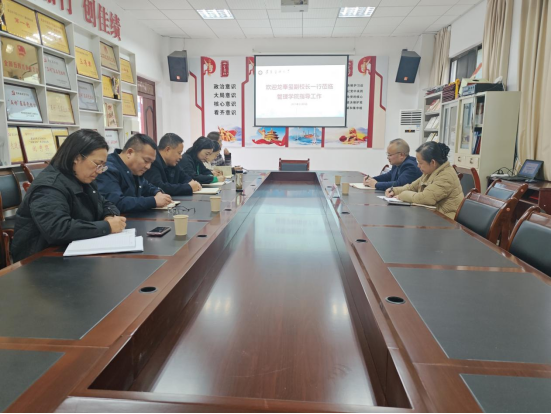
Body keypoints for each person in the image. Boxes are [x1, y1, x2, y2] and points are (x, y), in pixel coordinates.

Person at [10, 130, 127, 263]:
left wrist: (109, 216)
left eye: (102, 166)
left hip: (71, 251)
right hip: (40, 260)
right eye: (97, 164)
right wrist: (107, 226)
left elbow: (105, 203)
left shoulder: (84, 180)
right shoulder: (49, 186)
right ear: (76, 158)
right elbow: (58, 229)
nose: (99, 171)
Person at [96, 134, 173, 213]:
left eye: (151, 162)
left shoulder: (134, 170)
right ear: (129, 153)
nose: (148, 167)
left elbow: (147, 187)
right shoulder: (108, 169)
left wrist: (157, 192)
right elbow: (116, 203)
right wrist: (154, 201)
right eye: (146, 161)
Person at [386, 142, 464, 219]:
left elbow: (425, 198)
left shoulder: (446, 176)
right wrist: (394, 190)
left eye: (420, 163)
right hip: (431, 216)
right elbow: (412, 187)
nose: (418, 166)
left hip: (445, 220)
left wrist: (402, 195)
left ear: (433, 162)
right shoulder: (430, 171)